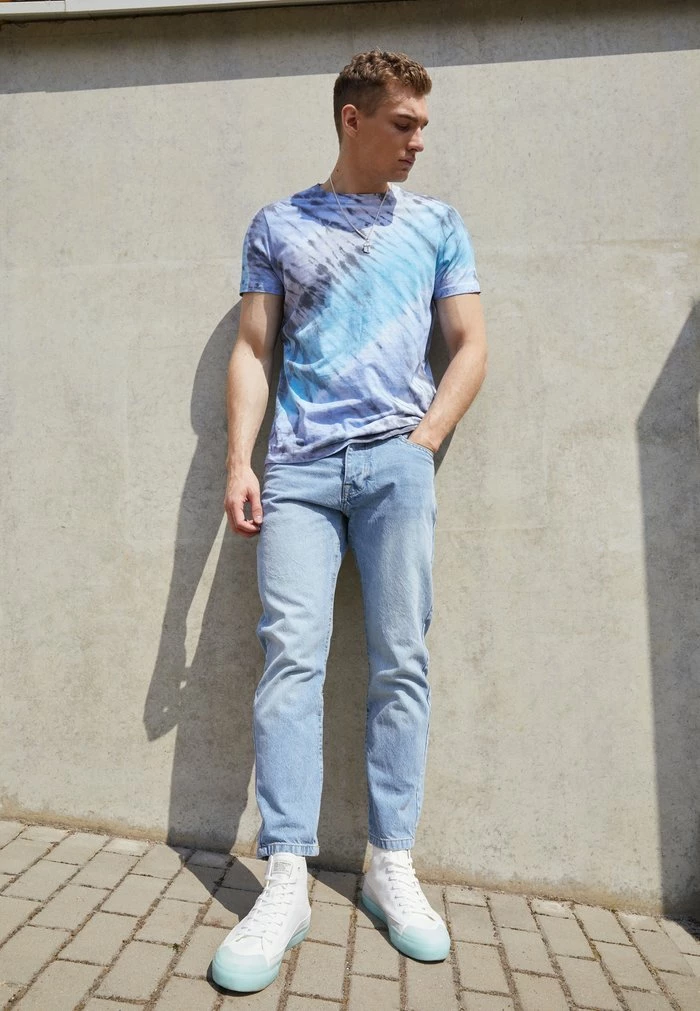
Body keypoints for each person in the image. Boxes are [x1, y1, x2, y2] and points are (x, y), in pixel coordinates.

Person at [213, 48, 487, 994]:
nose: (419, 140)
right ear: (352, 119)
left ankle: (389, 863)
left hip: (393, 467)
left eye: (423, 125)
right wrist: (240, 460)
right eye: (403, 123)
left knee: (401, 658)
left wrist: (423, 441)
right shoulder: (278, 223)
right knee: (291, 655)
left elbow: (471, 345)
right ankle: (286, 876)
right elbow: (253, 349)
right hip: (296, 470)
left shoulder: (437, 224)